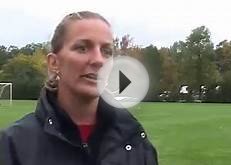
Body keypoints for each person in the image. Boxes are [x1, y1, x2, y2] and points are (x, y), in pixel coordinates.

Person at [0, 11, 158, 165]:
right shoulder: (14, 144)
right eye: (82, 48)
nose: (98, 60)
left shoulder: (133, 138)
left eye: (106, 51)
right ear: (54, 63)